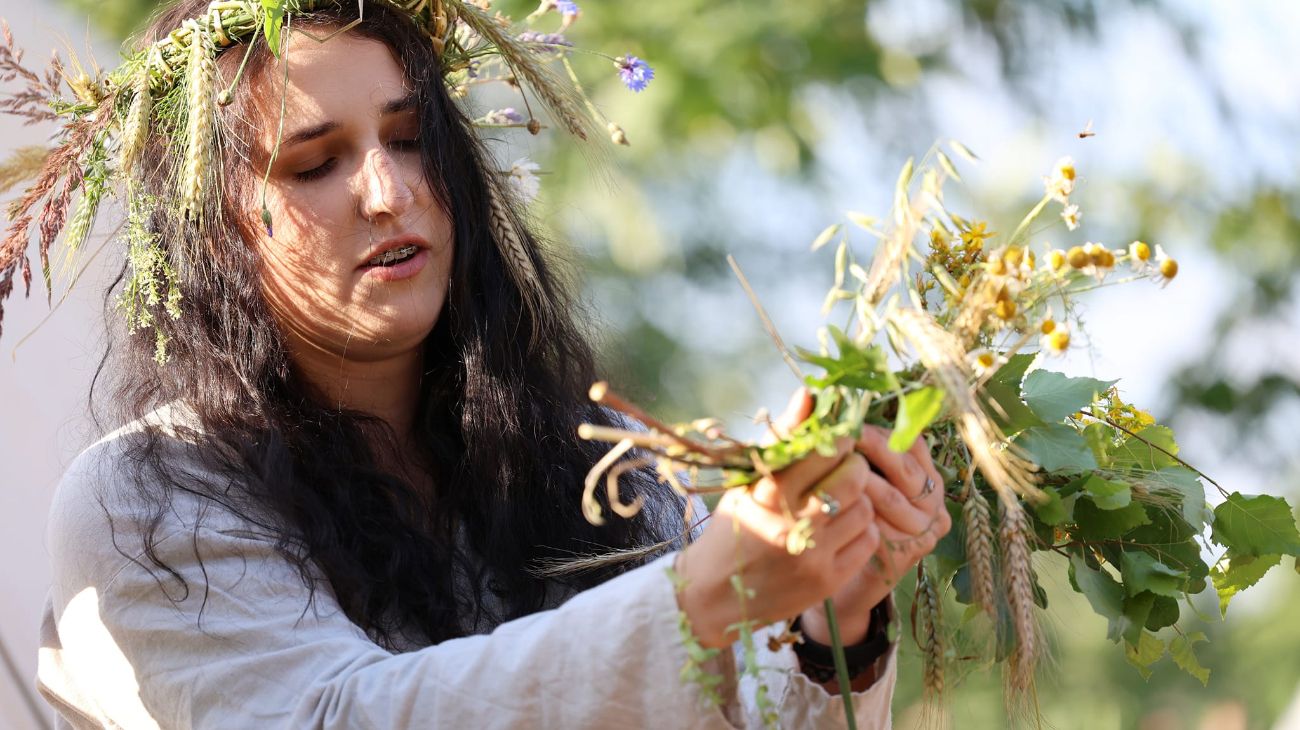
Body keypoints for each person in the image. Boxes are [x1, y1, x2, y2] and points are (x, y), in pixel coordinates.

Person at [2, 1, 952, 727]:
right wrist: (704, 592)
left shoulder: (607, 458)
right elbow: (335, 713)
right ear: (212, 238)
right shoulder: (147, 497)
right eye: (312, 163)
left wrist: (838, 617)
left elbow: (730, 704)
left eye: (413, 139)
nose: (390, 190)